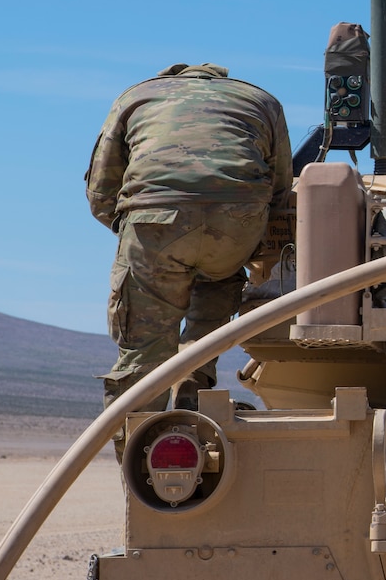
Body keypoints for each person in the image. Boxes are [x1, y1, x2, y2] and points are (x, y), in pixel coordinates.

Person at [86, 63, 291, 410]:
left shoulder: (136, 97)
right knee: (219, 278)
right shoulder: (261, 100)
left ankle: (140, 448)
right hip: (236, 224)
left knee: (144, 350)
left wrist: (135, 237)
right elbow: (281, 189)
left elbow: (101, 190)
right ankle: (192, 388)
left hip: (156, 220)